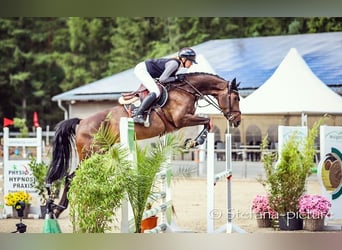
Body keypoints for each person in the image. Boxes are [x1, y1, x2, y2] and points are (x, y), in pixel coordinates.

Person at [132, 47, 197, 124]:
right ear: (184, 59)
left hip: (146, 70)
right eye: (191, 61)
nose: (192, 63)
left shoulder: (177, 65)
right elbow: (163, 79)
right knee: (156, 91)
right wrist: (176, 78)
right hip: (142, 70)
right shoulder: (175, 64)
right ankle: (138, 114)